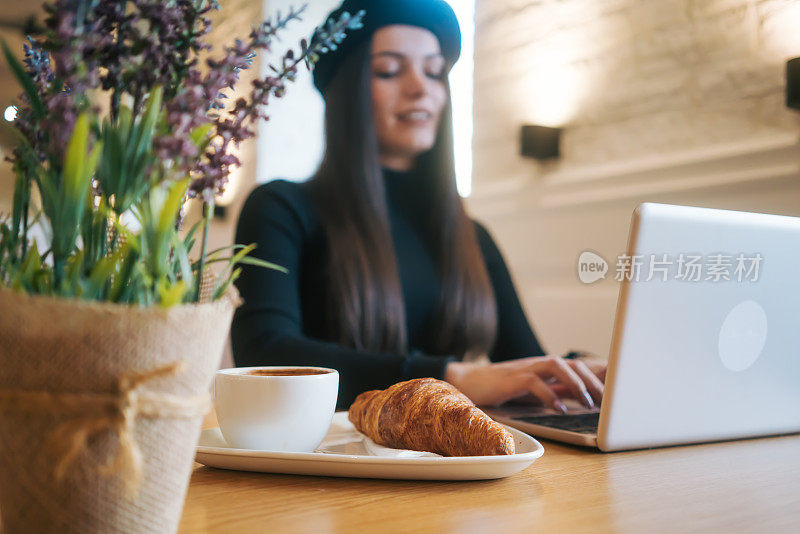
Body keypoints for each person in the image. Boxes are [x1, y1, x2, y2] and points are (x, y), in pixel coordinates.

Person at [232, 0, 606, 411]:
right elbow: (264, 353)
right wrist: (447, 377)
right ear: (347, 91)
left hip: (448, 466)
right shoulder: (280, 209)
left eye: (434, 71)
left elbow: (522, 363)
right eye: (389, 71)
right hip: (326, 462)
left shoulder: (471, 237)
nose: (420, 87)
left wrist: (583, 372)